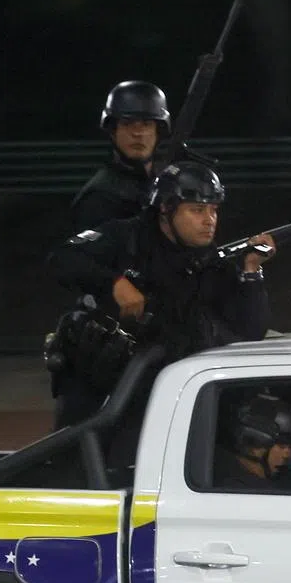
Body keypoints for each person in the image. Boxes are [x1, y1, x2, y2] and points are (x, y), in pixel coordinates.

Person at [46, 161, 274, 428]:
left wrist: (251, 272)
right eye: (197, 210)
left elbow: (250, 331)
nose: (209, 220)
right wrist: (114, 284)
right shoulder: (126, 237)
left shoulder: (211, 261)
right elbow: (62, 259)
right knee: (76, 454)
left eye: (213, 210)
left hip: (163, 393)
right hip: (98, 388)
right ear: (166, 209)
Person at [69, 81, 170, 232]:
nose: (137, 133)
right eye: (127, 123)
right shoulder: (100, 197)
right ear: (113, 130)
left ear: (158, 131)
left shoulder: (168, 180)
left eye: (147, 124)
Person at [215, 394, 291, 490]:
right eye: (282, 446)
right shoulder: (230, 487)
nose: (288, 455)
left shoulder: (287, 480)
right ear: (254, 446)